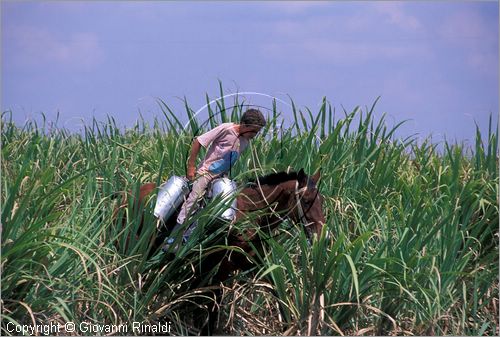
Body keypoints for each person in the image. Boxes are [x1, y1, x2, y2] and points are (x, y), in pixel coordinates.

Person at [162, 108, 266, 253]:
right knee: (194, 200)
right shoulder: (226, 129)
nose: (255, 135)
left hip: (221, 177)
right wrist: (191, 167)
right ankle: (173, 239)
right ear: (244, 124)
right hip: (206, 173)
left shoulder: (245, 141)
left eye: (257, 132)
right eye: (253, 131)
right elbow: (198, 141)